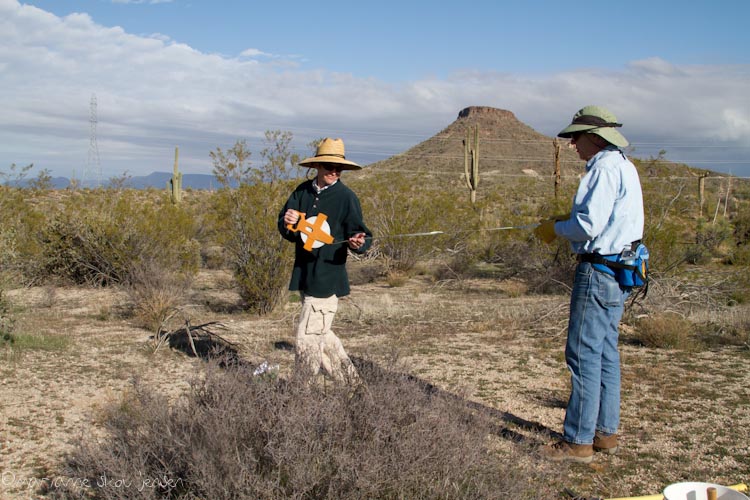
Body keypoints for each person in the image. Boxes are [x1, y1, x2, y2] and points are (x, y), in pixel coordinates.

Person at [534, 106, 644, 463]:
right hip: (620, 271)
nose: (571, 146)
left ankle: (577, 442)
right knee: (606, 352)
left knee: (582, 354)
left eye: (575, 138)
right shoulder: (626, 167)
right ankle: (604, 434)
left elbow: (588, 227)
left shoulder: (602, 170)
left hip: (598, 270)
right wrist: (568, 222)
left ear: (594, 138)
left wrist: (557, 228)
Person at [278, 137, 372, 383]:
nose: (334, 171)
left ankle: (302, 393)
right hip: (305, 273)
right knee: (322, 333)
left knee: (308, 338)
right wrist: (287, 221)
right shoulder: (302, 191)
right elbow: (287, 228)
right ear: (317, 167)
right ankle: (352, 385)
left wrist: (358, 242)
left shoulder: (346, 197)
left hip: (328, 276)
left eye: (338, 168)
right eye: (329, 167)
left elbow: (362, 235)